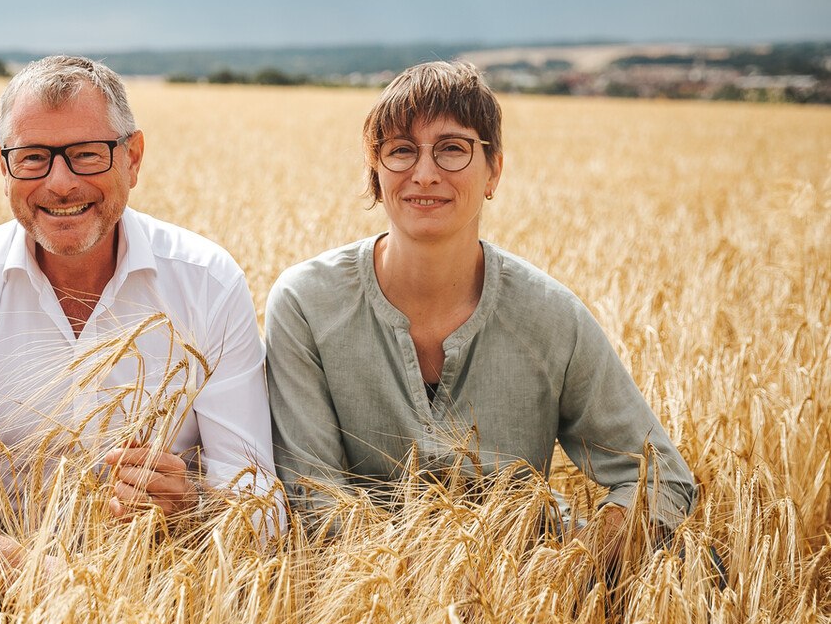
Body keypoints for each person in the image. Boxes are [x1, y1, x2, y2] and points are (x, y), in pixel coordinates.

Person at [0, 55, 280, 560]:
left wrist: (191, 507)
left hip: (162, 573)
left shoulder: (207, 283)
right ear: (3, 165)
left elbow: (258, 502)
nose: (59, 183)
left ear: (134, 158)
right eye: (33, 156)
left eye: (86, 154)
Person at [265, 60, 696, 553]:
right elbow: (314, 499)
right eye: (401, 151)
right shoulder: (306, 303)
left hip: (528, 595)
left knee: (700, 569)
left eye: (452, 149)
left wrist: (581, 563)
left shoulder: (550, 316)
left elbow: (663, 479)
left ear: (494, 170)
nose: (424, 174)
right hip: (361, 592)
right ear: (376, 174)